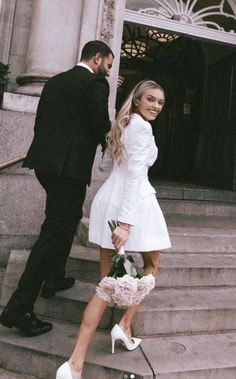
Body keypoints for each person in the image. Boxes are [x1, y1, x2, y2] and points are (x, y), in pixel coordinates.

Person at [56, 80, 171, 379]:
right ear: (136, 100)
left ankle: (78, 361)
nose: (156, 105)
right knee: (151, 266)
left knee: (107, 282)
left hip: (109, 198)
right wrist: (126, 222)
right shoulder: (142, 128)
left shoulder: (121, 125)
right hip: (134, 204)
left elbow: (106, 167)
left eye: (160, 101)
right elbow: (134, 175)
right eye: (150, 99)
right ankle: (116, 329)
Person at [0, 40, 114, 337]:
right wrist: (115, 151)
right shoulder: (95, 84)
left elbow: (45, 123)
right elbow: (101, 124)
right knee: (53, 232)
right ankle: (19, 307)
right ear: (98, 58)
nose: (109, 72)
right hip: (69, 169)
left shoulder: (55, 82)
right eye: (109, 65)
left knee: (66, 219)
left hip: (45, 165)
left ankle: (54, 276)